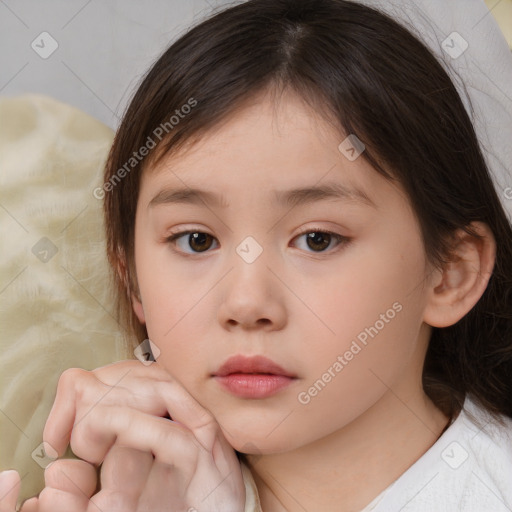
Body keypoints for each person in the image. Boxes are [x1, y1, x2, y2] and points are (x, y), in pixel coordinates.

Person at [1, 0, 511, 510]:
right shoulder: (117, 490)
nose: (247, 304)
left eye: (317, 239)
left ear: (451, 274)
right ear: (132, 278)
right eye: (195, 240)